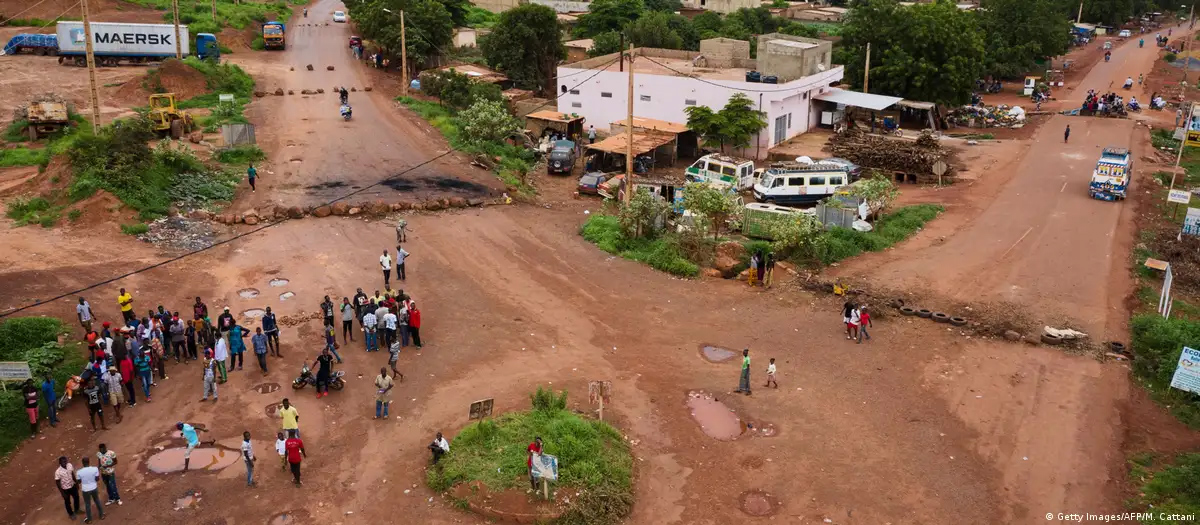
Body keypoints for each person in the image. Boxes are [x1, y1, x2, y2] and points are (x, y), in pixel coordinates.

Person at [77, 456, 103, 523]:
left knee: (87, 504)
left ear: (82, 463)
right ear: (89, 462)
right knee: (97, 501)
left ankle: (89, 519)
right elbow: (97, 479)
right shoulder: (95, 469)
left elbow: (79, 482)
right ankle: (101, 515)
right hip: (94, 488)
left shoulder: (79, 472)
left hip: (85, 490)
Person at [55, 456, 81, 520]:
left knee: (76, 497)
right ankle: (71, 514)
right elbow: (57, 482)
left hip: (72, 485)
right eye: (63, 462)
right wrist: (62, 493)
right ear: (60, 463)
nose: (65, 463)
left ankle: (77, 509)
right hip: (65, 489)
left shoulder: (69, 465)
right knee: (67, 502)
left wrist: (76, 483)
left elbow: (72, 474)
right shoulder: (58, 472)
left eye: (65, 461)